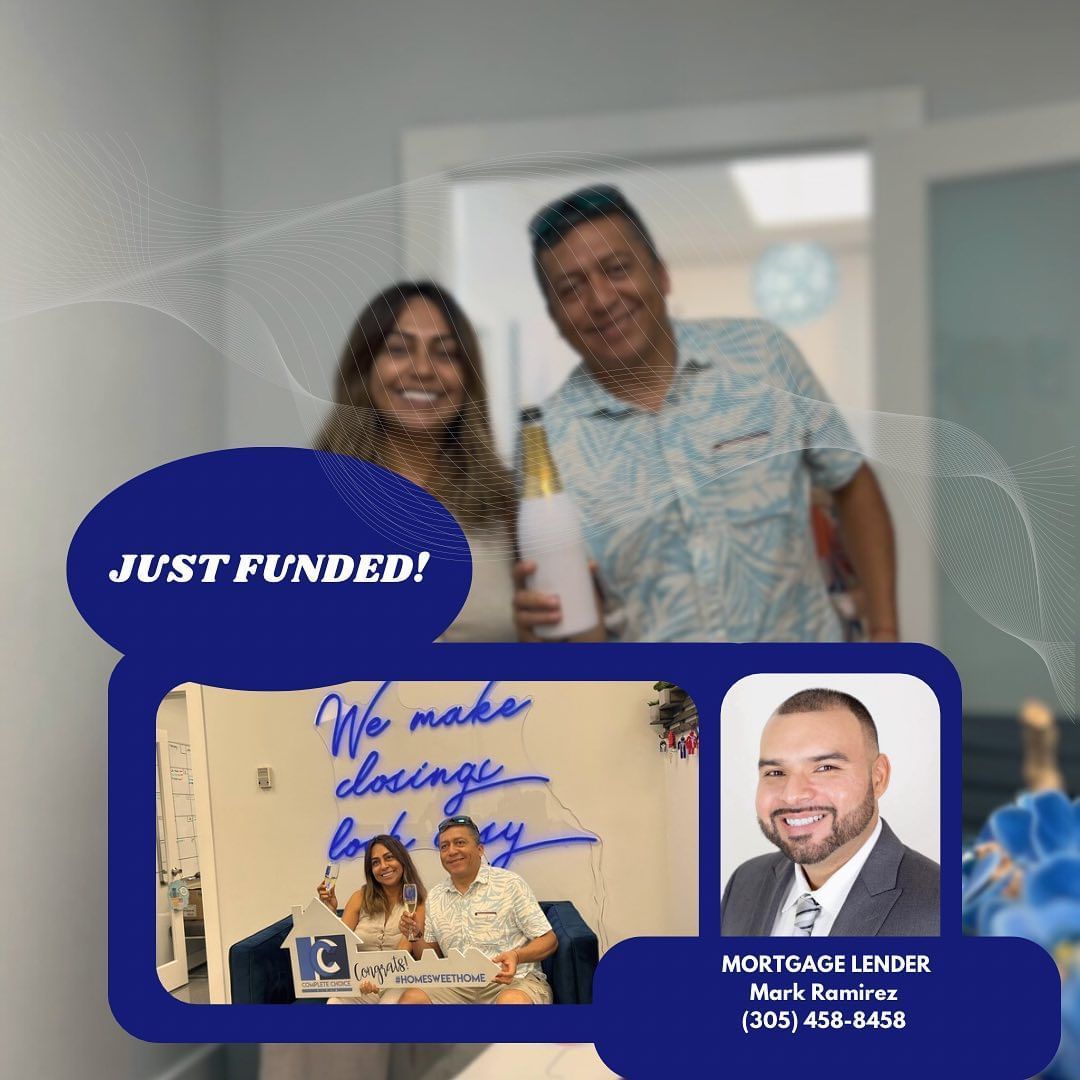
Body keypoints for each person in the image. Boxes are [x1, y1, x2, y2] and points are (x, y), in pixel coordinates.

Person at [514, 185, 898, 644]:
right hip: (663, 706)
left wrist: (885, 632)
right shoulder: (548, 442)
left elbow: (851, 481)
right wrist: (539, 627)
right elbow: (574, 617)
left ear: (662, 274)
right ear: (555, 317)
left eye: (617, 269)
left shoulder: (762, 356)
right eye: (571, 289)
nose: (600, 300)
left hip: (803, 686)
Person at [314, 280, 518, 642]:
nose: (423, 369)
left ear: (468, 378)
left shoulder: (509, 508)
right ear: (365, 369)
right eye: (398, 349)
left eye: (445, 353)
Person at [720, 687, 939, 936]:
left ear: (878, 777)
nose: (792, 795)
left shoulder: (942, 907)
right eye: (775, 772)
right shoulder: (744, 883)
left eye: (825, 768)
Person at [396, 816, 558, 1004]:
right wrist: (415, 935)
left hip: (512, 981)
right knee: (411, 999)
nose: (452, 851)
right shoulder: (436, 896)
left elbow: (549, 940)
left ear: (480, 849)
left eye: (460, 843)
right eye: (444, 846)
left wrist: (516, 955)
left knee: (512, 1002)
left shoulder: (509, 884)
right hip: (457, 985)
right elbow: (432, 954)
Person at [315, 835, 426, 1004]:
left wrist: (379, 981)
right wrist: (330, 909)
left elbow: (404, 951)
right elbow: (340, 945)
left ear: (402, 860)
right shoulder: (359, 897)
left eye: (389, 858)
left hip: (396, 980)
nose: (383, 866)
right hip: (359, 979)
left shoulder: (416, 901)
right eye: (375, 862)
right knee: (334, 1002)